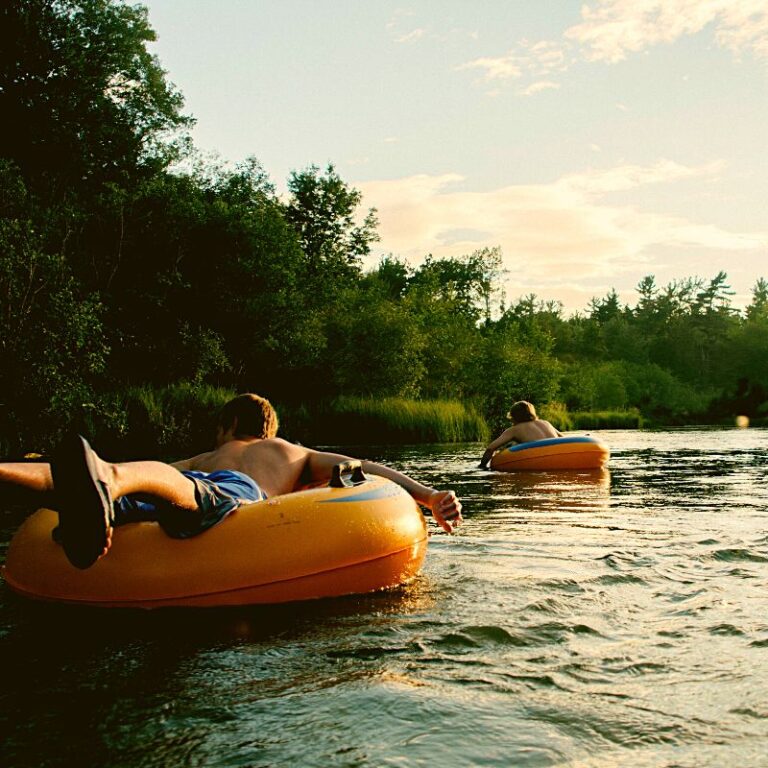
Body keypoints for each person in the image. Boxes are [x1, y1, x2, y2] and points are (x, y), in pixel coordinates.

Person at [0, 393, 463, 569]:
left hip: (193, 482)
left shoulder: (211, 452)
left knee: (134, 485)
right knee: (186, 495)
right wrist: (426, 495)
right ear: (269, 430)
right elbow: (361, 467)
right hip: (231, 497)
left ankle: (16, 471)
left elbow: (164, 475)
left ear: (226, 426)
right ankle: (109, 478)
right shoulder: (290, 452)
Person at [479, 400, 562, 469]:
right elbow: (562, 438)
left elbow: (490, 449)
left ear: (513, 417)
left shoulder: (515, 430)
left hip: (540, 460)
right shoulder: (546, 423)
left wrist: (482, 467)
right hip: (560, 457)